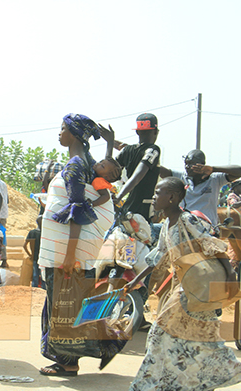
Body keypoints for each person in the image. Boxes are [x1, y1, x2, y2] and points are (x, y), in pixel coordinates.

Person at [124, 177, 241, 391]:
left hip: (193, 288)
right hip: (186, 287)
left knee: (158, 335)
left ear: (171, 198)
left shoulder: (186, 219)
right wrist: (134, 281)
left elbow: (210, 242)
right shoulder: (167, 225)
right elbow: (157, 258)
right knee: (202, 342)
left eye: (158, 193)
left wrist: (229, 276)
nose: (154, 197)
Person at [38, 113, 116, 376]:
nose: (59, 134)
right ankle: (72, 357)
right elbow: (99, 198)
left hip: (65, 249)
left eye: (62, 129)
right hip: (79, 247)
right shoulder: (89, 163)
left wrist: (70, 255)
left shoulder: (74, 164)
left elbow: (77, 210)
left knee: (63, 303)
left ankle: (67, 361)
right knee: (72, 301)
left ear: (74, 133)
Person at [114, 113, 171, 221]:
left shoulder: (127, 150)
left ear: (137, 131)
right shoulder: (153, 150)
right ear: (156, 132)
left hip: (128, 206)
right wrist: (118, 197)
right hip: (143, 209)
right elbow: (137, 176)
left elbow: (111, 170)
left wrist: (109, 143)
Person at [170, 149, 241, 226]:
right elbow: (161, 170)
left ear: (202, 164)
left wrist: (213, 169)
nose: (187, 167)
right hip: (184, 225)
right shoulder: (181, 177)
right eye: (186, 164)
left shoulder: (215, 179)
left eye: (191, 164)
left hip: (207, 228)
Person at [23, 216, 43, 288]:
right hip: (44, 258)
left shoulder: (32, 232)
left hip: (35, 257)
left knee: (35, 275)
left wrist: (30, 255)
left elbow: (24, 246)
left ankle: (34, 290)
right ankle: (43, 292)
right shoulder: (45, 233)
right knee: (43, 277)